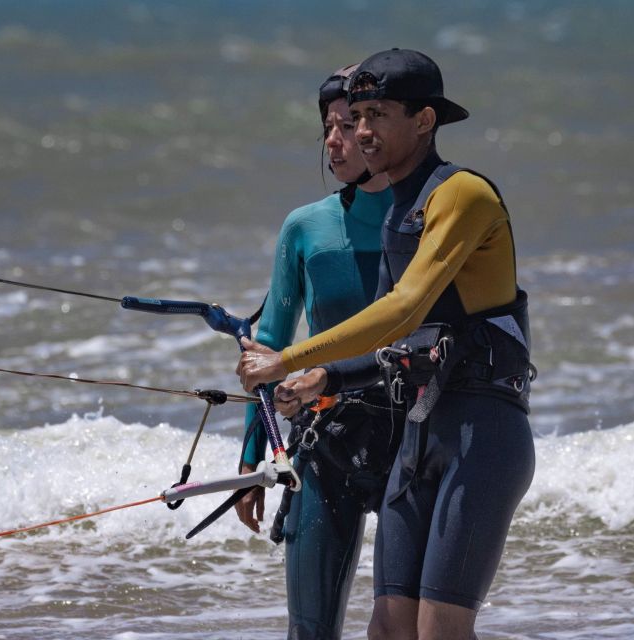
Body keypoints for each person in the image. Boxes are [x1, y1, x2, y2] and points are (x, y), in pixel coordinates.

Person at [236, 49, 536, 640]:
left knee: (438, 632)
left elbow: (404, 308)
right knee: (390, 630)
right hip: (419, 434)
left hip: (481, 436)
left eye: (377, 115)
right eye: (357, 114)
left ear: (424, 121)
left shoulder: (462, 193)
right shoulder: (400, 209)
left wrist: (291, 359)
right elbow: (395, 342)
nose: (362, 130)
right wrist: (329, 380)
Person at [236, 63, 398, 640]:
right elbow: (271, 349)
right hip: (325, 441)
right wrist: (254, 459)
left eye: (349, 124)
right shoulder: (305, 228)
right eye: (327, 126)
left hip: (415, 441)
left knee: (411, 626)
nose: (334, 140)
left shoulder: (428, 219)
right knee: (309, 632)